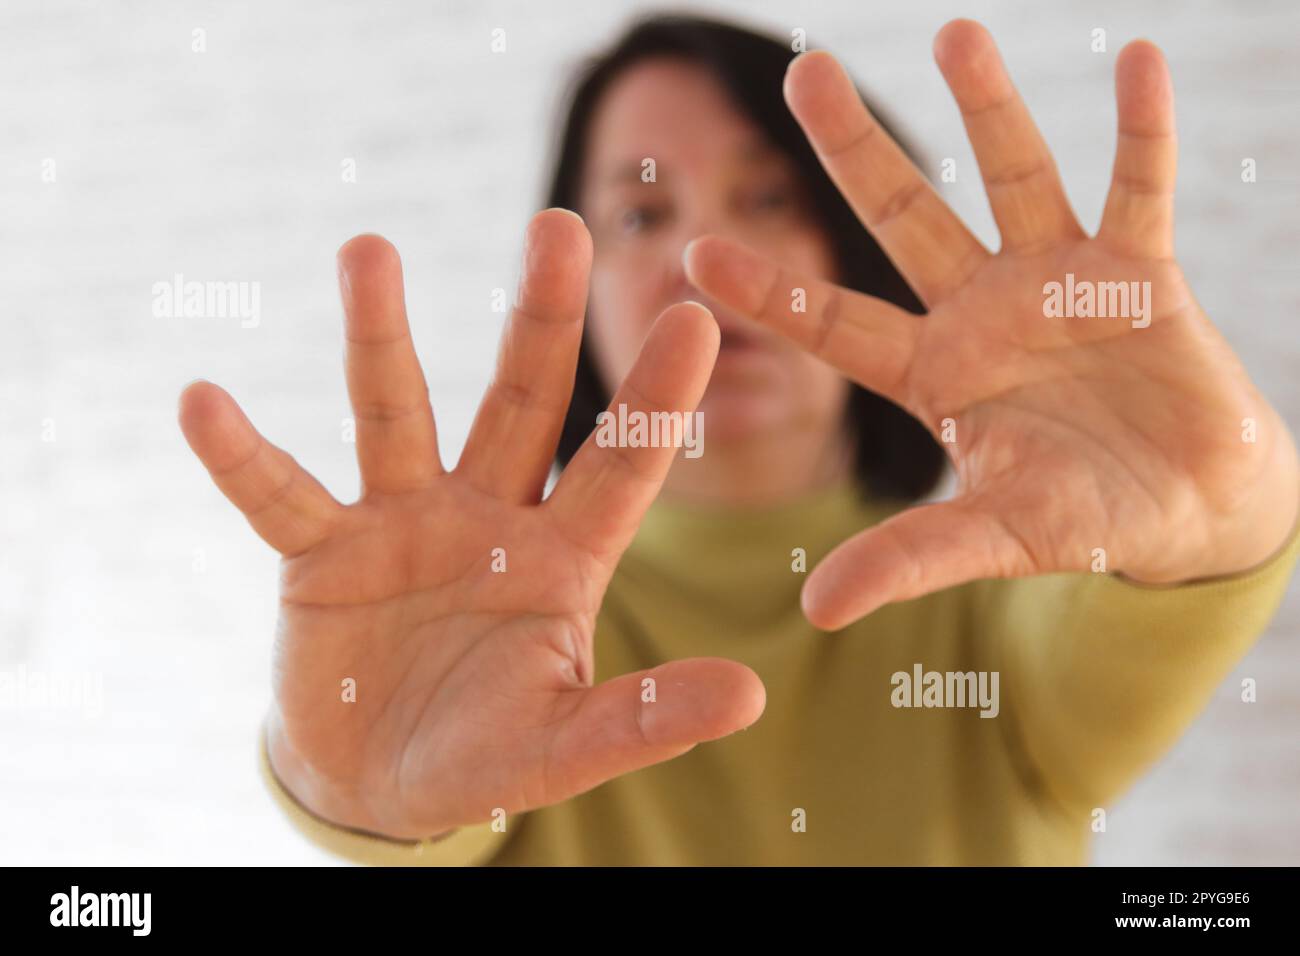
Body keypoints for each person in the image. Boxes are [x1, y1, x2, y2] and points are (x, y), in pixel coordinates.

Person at [178, 15, 1300, 864]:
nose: (700, 254)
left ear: (855, 247)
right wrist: (345, 776)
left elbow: (1168, 583)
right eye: (640, 213)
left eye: (768, 198)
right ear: (579, 292)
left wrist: (1218, 501)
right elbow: (405, 785)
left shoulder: (999, 619)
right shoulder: (486, 631)